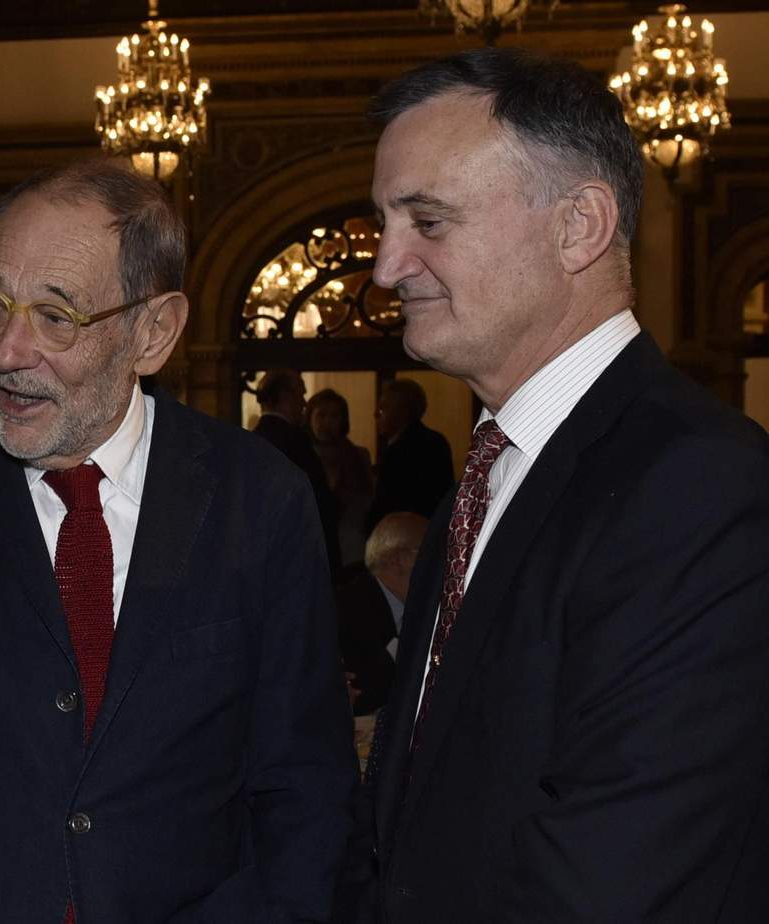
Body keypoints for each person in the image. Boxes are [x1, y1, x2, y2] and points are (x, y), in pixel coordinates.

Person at [0, 159, 356, 922]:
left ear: (155, 332)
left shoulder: (260, 498)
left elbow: (306, 791)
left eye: (56, 317)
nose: (6, 352)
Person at [338, 47, 769, 922]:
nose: (386, 268)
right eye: (385, 223)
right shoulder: (492, 465)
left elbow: (613, 873)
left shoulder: (700, 484)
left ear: (580, 226)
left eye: (428, 221)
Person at [253, 369, 342, 575]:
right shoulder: (295, 439)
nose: (304, 404)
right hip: (299, 552)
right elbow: (315, 498)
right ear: (286, 398)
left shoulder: (252, 437)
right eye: (301, 395)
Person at [335, 512, 424, 716]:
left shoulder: (427, 607)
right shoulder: (346, 607)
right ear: (396, 559)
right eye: (429, 553)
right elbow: (358, 695)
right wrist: (408, 636)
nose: (441, 564)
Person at [364, 378, 453, 530]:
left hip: (403, 532)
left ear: (403, 413)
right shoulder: (435, 441)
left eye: (382, 409)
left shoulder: (400, 449)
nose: (376, 415)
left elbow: (388, 501)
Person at [306, 388, 374, 569]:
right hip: (309, 547)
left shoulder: (357, 456)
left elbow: (367, 503)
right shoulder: (301, 455)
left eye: (334, 416)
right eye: (321, 415)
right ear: (310, 416)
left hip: (350, 551)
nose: (327, 423)